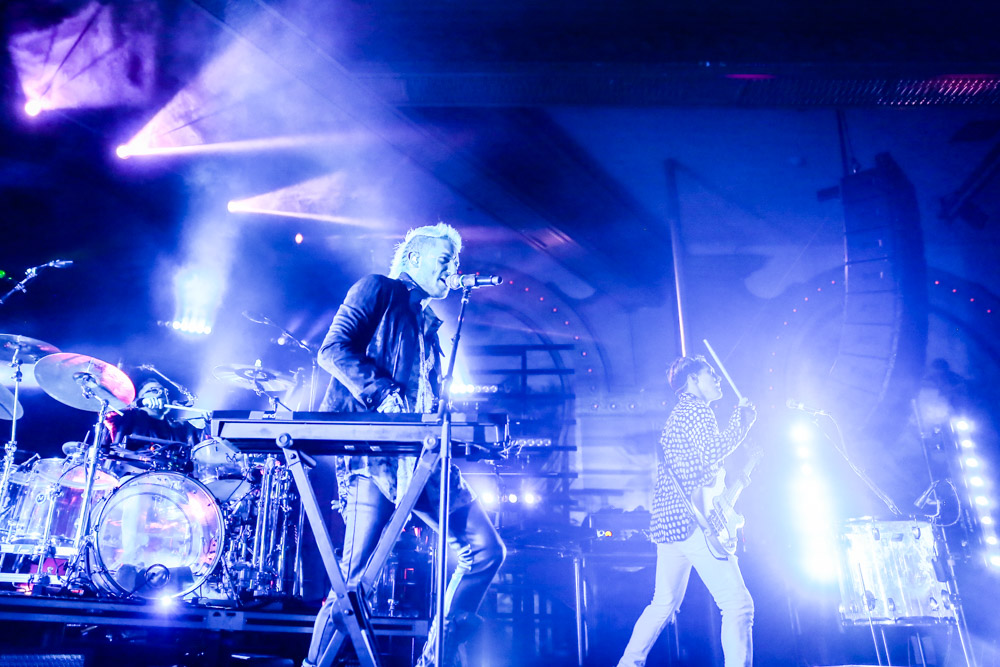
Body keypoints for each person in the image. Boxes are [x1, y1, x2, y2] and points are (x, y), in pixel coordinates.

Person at [304, 223, 506, 667]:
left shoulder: (430, 327)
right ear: (413, 258)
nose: (453, 270)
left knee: (486, 550)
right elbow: (332, 349)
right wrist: (381, 391)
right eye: (445, 260)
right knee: (356, 579)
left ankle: (436, 658)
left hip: (424, 460)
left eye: (456, 262)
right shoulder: (378, 289)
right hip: (374, 457)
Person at [617, 355, 757, 667]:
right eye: (711, 374)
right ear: (692, 380)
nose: (718, 380)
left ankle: (628, 664)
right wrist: (742, 421)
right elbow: (711, 451)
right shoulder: (696, 410)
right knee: (738, 606)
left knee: (662, 604)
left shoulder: (681, 413)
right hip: (690, 521)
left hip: (670, 523)